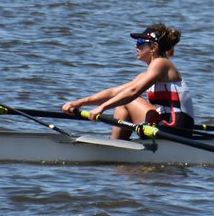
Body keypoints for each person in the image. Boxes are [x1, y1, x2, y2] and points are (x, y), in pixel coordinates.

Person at [62, 23, 195, 140]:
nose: (136, 46)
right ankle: (117, 146)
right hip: (164, 128)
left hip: (175, 130)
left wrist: (102, 108)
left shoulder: (161, 63)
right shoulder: (148, 74)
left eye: (140, 42)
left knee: (127, 100)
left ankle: (115, 147)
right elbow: (113, 92)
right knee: (122, 101)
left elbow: (133, 92)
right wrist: (79, 103)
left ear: (154, 46)